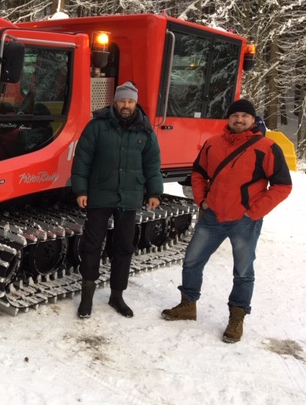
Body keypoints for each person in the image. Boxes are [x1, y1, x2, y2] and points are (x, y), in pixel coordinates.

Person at [161, 99, 292, 343]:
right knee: (191, 261)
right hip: (213, 216)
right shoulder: (213, 144)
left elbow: (283, 185)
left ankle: (237, 318)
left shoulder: (267, 147)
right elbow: (198, 173)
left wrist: (254, 211)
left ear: (253, 120)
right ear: (229, 119)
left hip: (244, 220)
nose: (239, 120)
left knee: (243, 272)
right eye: (235, 116)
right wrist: (202, 200)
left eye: (245, 116)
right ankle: (188, 304)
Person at [71, 81, 163, 319]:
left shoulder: (145, 130)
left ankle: (117, 295)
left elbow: (152, 164)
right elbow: (82, 160)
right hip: (100, 195)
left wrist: (154, 192)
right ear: (115, 101)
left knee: (124, 247)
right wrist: (81, 190)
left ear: (135, 103)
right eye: (122, 100)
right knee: (92, 246)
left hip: (129, 197)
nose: (126, 105)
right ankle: (87, 297)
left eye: (130, 101)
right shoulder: (97, 127)